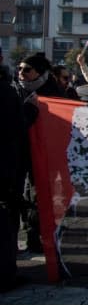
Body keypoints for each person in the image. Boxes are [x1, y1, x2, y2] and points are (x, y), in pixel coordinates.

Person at [12, 53, 64, 254]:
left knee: (39, 196)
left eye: (27, 69)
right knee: (19, 196)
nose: (21, 73)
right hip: (18, 152)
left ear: (40, 73)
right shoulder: (15, 90)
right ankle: (18, 235)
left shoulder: (53, 92)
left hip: (44, 154)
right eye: (19, 69)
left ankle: (37, 237)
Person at [0, 57, 25, 291]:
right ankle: (6, 272)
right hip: (6, 167)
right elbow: (17, 126)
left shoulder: (7, 92)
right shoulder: (7, 92)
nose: (22, 73)